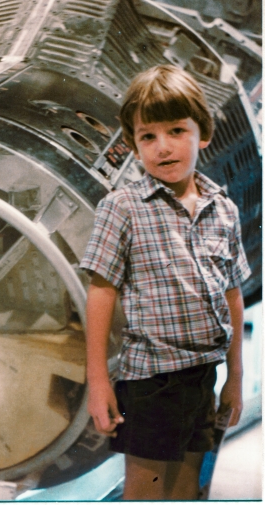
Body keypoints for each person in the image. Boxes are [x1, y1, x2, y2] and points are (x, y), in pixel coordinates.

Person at [80, 65, 251, 500]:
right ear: (134, 146)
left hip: (203, 377)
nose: (163, 147)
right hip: (152, 381)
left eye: (176, 130)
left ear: (204, 134)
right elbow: (101, 292)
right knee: (148, 490)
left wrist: (234, 374)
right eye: (147, 136)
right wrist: (98, 381)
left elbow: (232, 294)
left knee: (187, 487)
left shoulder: (224, 210)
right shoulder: (122, 208)